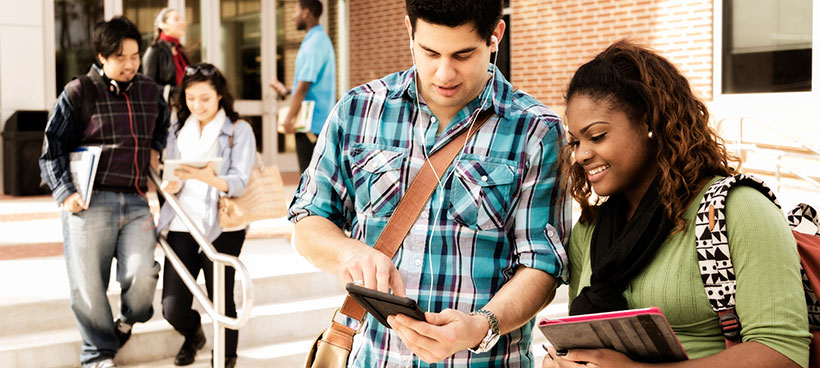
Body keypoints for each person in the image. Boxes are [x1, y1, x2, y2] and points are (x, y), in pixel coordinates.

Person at [289, 0, 570, 366]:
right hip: (374, 358)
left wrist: (478, 326)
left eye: (463, 54)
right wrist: (350, 253)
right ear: (409, 31)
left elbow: (542, 265)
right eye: (429, 52)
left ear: (495, 36)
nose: (444, 73)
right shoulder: (357, 110)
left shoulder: (536, 130)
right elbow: (307, 222)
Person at [543, 40, 811, 367]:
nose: (581, 154)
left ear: (649, 123)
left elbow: (783, 352)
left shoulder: (735, 210)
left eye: (597, 136)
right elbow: (580, 343)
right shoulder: (591, 229)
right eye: (575, 141)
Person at [39, 16, 169, 368]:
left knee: (143, 277)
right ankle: (97, 354)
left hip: (136, 200)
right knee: (87, 284)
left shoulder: (149, 91)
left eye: (134, 56)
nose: (130, 64)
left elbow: (163, 120)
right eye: (120, 57)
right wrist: (65, 192)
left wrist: (156, 146)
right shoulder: (79, 92)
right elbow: (51, 149)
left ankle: (127, 320)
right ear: (101, 56)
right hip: (89, 202)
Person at [156, 63, 256, 368]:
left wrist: (203, 175)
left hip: (221, 225)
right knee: (172, 307)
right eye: (190, 98)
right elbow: (169, 175)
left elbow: (238, 181)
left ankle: (225, 357)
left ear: (220, 97)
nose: (197, 106)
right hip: (181, 223)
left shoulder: (238, 130)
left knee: (221, 299)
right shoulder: (176, 129)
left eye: (205, 99)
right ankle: (194, 334)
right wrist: (171, 185)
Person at [268, 0, 335, 173]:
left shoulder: (314, 43)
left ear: (306, 13)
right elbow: (308, 83)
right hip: (313, 124)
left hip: (311, 126)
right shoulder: (316, 40)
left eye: (295, 11)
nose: (291, 17)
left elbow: (304, 85)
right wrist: (285, 90)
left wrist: (288, 118)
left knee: (309, 180)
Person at [142, 7, 189, 103]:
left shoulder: (181, 50)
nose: (182, 23)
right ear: (163, 25)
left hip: (182, 107)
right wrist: (172, 91)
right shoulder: (154, 50)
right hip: (165, 111)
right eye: (176, 19)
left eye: (181, 19)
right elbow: (147, 85)